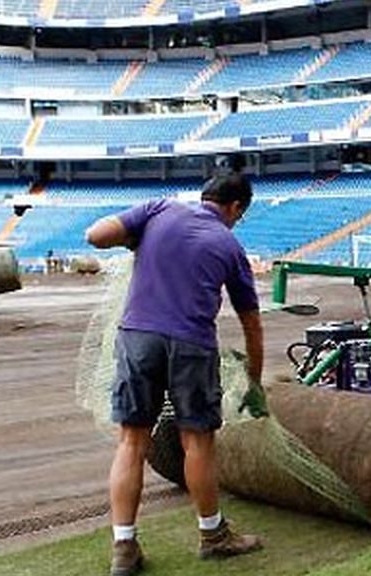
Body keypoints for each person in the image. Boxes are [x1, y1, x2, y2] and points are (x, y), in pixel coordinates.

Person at [85, 173, 268, 576]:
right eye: (240, 215)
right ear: (235, 207)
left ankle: (124, 547)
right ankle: (214, 536)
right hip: (191, 344)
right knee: (197, 442)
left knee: (132, 442)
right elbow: (252, 325)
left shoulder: (159, 209)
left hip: (137, 339)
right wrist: (253, 379)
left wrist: (135, 239)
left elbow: (95, 235)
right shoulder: (231, 247)